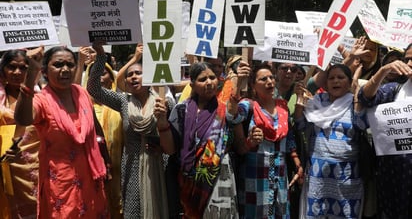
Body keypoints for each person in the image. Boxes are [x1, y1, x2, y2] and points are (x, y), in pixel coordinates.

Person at [13, 46, 108, 218]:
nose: (65, 69)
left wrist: (105, 158)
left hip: (90, 179)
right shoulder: (42, 100)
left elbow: (93, 127)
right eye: (58, 64)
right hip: (61, 183)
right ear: (45, 71)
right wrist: (30, 74)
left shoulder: (82, 93)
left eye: (70, 65)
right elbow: (23, 119)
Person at [88, 41, 172, 218]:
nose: (134, 77)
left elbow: (175, 140)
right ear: (124, 81)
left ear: (148, 77)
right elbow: (93, 89)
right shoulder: (123, 101)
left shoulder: (164, 103)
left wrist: (160, 143)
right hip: (132, 167)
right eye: (129, 75)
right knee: (133, 212)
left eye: (139, 73)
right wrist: (101, 57)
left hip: (159, 166)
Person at [156, 62, 240, 218]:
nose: (209, 82)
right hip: (188, 183)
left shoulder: (224, 108)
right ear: (192, 85)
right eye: (202, 79)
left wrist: (240, 79)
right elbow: (170, 149)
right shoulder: (181, 110)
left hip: (218, 178)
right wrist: (162, 123)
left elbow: (234, 109)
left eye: (212, 78)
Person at [227, 62, 303, 218]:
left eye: (271, 77)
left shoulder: (283, 107)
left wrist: (296, 162)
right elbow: (231, 115)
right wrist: (251, 142)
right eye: (263, 79)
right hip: (255, 180)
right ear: (253, 85)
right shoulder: (248, 106)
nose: (269, 82)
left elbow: (288, 138)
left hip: (280, 179)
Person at [294, 64, 368, 219]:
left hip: (346, 176)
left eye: (341, 78)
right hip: (318, 175)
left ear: (349, 83)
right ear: (325, 83)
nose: (336, 81)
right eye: (331, 78)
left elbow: (361, 125)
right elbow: (301, 125)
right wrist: (299, 104)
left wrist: (357, 97)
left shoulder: (354, 103)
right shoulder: (316, 102)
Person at [357, 43, 412, 218]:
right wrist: (383, 71)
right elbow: (365, 97)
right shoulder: (394, 90)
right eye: (407, 59)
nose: (409, 64)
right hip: (394, 177)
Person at [0, 49, 40, 218]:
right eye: (12, 67)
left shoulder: (41, 99)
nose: (17, 72)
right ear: (3, 71)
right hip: (6, 172)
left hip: (37, 169)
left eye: (23, 68)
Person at [83, 57, 123, 218]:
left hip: (120, 168)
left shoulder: (122, 103)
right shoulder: (81, 106)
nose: (99, 76)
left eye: (103, 72)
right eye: (94, 73)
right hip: (90, 169)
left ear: (112, 78)